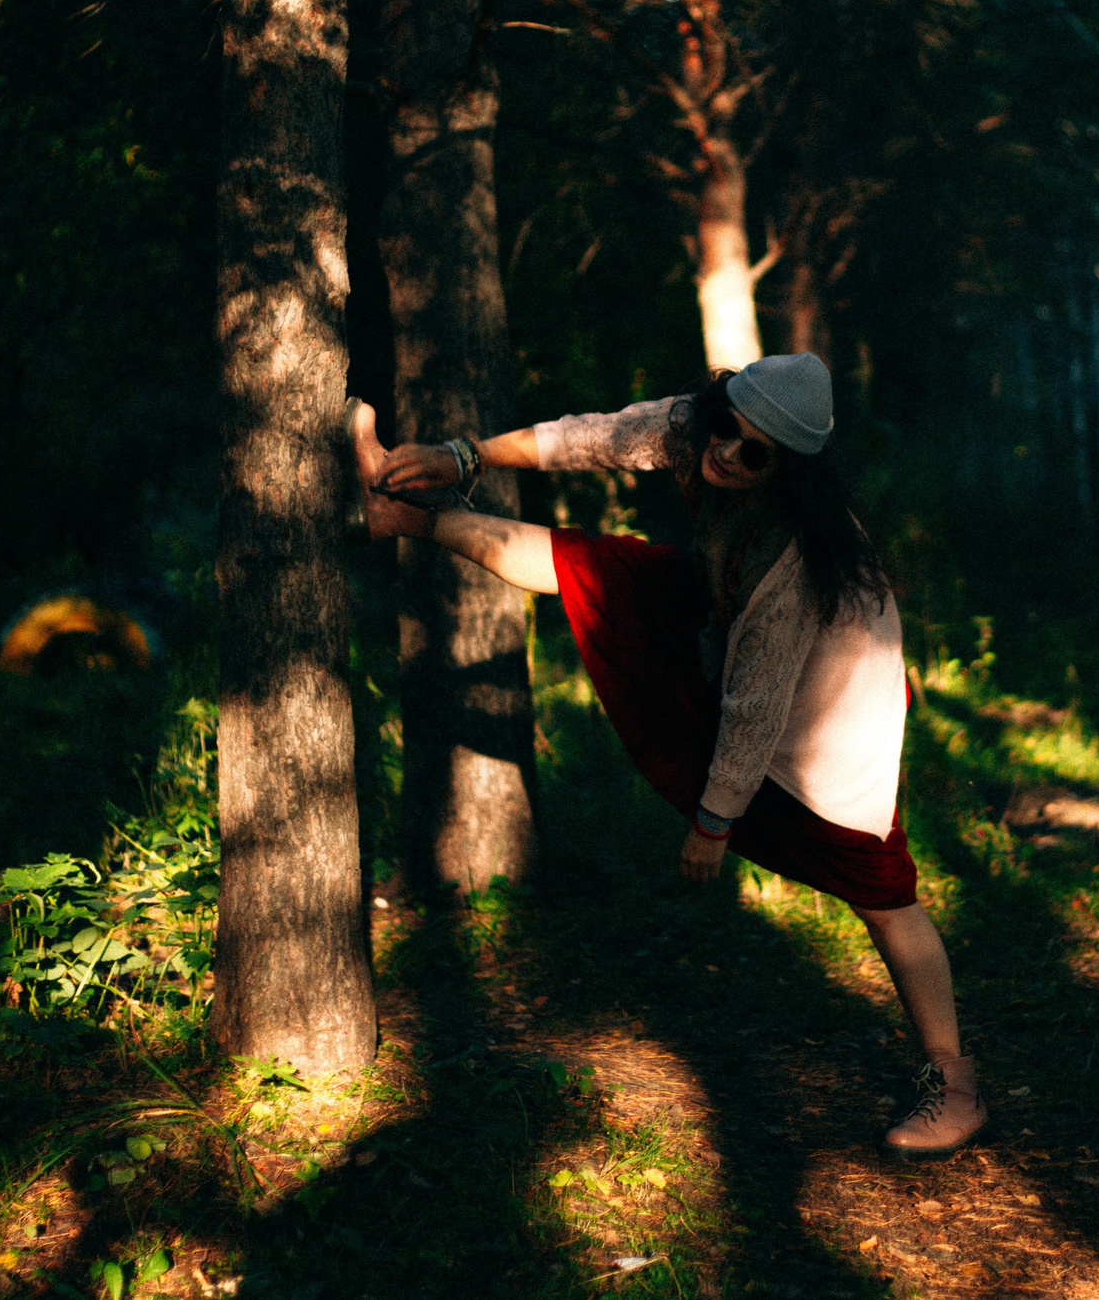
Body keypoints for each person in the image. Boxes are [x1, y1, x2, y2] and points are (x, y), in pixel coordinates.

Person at [352, 351, 987, 1158]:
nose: (726, 451)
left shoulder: (794, 560)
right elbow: (590, 439)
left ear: (787, 469)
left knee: (883, 891)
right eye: (725, 425)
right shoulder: (697, 429)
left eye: (754, 451)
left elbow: (756, 704)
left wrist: (713, 822)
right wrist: (461, 456)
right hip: (731, 631)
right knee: (596, 564)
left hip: (831, 736)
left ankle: (954, 1082)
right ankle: (399, 513)